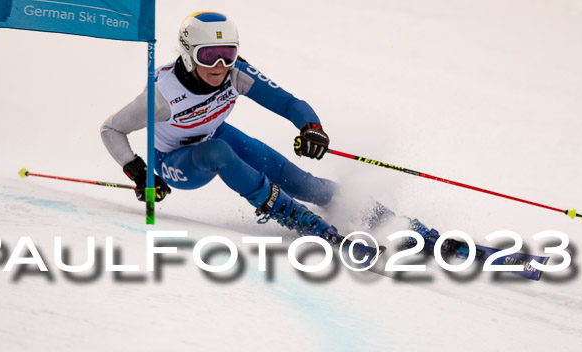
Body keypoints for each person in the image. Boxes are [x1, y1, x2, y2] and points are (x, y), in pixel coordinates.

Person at [101, 11, 438, 260]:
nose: (220, 65)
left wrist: (311, 128)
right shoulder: (161, 95)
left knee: (305, 183)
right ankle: (296, 217)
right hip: (176, 161)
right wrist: (140, 172)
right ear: (189, 53)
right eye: (208, 55)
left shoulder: (236, 74)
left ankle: (386, 219)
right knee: (218, 151)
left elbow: (289, 103)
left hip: (217, 136)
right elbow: (111, 128)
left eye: (228, 53)